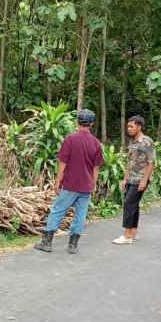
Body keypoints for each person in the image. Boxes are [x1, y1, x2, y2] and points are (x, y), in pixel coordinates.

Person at [34, 109, 104, 255]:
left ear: (77, 122)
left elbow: (63, 162)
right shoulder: (96, 143)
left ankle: (46, 243)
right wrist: (93, 184)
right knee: (81, 215)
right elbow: (96, 168)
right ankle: (73, 245)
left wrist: (57, 181)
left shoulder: (70, 139)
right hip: (86, 186)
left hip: (70, 184)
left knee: (58, 211)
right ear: (91, 124)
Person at [113, 115, 155, 245]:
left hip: (140, 179)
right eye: (128, 126)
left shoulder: (146, 141)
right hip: (131, 178)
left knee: (128, 204)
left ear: (139, 127)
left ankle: (127, 236)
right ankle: (133, 232)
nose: (129, 129)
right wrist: (125, 179)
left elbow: (151, 162)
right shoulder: (132, 142)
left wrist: (144, 180)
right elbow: (129, 162)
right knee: (134, 206)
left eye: (131, 126)